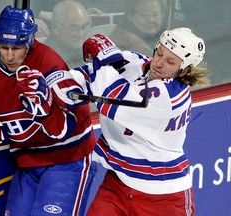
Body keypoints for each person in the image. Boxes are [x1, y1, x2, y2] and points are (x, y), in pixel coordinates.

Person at [0, 6, 97, 216]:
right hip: (28, 161)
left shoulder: (48, 62)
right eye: (4, 47)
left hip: (68, 159)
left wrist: (45, 108)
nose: (10, 56)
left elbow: (65, 128)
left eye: (17, 48)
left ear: (30, 42)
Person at [60, 29, 209, 215]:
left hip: (164, 197)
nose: (159, 63)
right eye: (159, 53)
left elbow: (110, 98)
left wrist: (102, 58)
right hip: (119, 183)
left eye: (170, 62)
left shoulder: (169, 97)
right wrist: (53, 84)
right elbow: (89, 75)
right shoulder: (136, 61)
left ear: (184, 69)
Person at [44, 0, 91, 69]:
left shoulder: (84, 52)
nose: (81, 34)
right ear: (55, 28)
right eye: (74, 29)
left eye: (84, 27)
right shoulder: (43, 60)